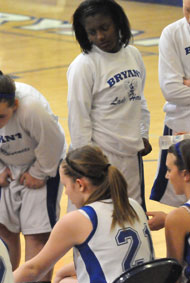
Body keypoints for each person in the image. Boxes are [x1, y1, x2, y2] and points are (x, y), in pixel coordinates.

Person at [14, 145, 156, 283]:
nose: (66, 195)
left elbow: (34, 269)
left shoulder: (79, 220)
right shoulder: (133, 205)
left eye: (65, 186)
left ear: (80, 184)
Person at [0, 67, 65, 276]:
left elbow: (53, 144)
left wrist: (39, 172)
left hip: (40, 161)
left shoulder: (32, 108)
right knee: (3, 229)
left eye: (0, 116)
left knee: (37, 233)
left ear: (14, 105)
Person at [68, 0, 151, 209]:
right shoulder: (84, 65)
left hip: (131, 154)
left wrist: (144, 134)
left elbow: (139, 100)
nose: (100, 36)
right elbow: (78, 118)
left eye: (105, 28)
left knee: (132, 214)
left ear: (118, 23)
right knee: (96, 219)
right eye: (92, 32)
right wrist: (85, 163)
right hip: (101, 157)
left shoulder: (133, 55)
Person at [150, 0, 190, 209]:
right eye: (188, 10)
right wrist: (179, 85)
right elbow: (172, 90)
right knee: (176, 199)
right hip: (178, 125)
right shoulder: (172, 34)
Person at [151, 140, 190, 283]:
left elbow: (173, 282)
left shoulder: (178, 218)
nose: (166, 176)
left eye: (169, 169)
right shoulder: (177, 218)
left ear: (185, 175)